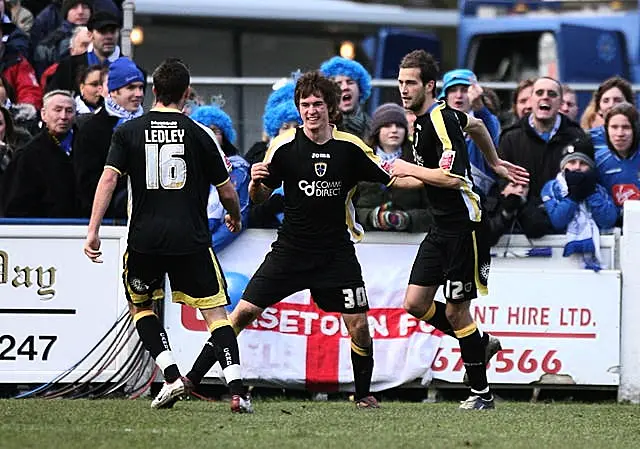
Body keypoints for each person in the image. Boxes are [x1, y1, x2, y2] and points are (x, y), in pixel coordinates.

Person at [186, 70, 421, 409]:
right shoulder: (283, 147)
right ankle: (191, 380)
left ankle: (364, 394)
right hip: (290, 250)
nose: (311, 111)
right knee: (240, 315)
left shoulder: (351, 148)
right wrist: (254, 184)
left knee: (359, 325)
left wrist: (435, 181)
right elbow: (262, 197)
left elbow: (393, 180)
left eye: (318, 104)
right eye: (305, 105)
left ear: (331, 108)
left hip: (336, 253)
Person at [83, 58, 253, 413]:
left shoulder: (129, 131)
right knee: (217, 315)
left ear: (153, 91)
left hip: (145, 239)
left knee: (141, 307)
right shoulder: (200, 133)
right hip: (190, 238)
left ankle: (172, 376)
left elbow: (109, 179)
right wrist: (234, 216)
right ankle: (237, 389)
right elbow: (226, 190)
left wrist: (93, 231)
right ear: (186, 94)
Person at [394, 49, 528, 410]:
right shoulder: (425, 120)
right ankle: (479, 343)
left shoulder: (439, 120)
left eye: (411, 83)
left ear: (429, 85)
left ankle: (481, 394)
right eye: (401, 82)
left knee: (456, 312)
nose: (404, 89)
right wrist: (494, 161)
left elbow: (450, 178)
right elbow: (479, 126)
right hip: (441, 228)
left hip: (465, 228)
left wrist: (405, 167)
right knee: (416, 303)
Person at [74, 57, 143, 218]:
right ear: (113, 91)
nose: (138, 94)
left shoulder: (148, 123)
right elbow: (86, 183)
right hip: (107, 219)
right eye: (131, 88)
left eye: (140, 87)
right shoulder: (91, 129)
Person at [542, 137, 617, 270]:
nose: (577, 167)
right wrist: (574, 196)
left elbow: (608, 219)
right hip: (560, 255)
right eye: (572, 162)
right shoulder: (553, 187)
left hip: (598, 252)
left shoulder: (598, 189)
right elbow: (558, 220)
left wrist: (590, 193)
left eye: (583, 163)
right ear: (563, 166)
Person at [355, 102, 431, 232]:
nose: (394, 130)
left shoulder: (420, 160)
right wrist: (372, 217)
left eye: (399, 126)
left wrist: (408, 219)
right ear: (377, 130)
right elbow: (347, 208)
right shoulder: (360, 159)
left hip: (411, 243)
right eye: (387, 125)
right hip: (366, 242)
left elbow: (433, 210)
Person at [2, 90, 76, 217]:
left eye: (69, 111)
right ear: (43, 114)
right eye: (57, 110)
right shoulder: (27, 154)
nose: (63, 116)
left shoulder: (87, 146)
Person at [440, 68, 501, 196]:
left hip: (481, 201)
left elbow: (491, 136)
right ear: (445, 97)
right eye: (452, 90)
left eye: (464, 90)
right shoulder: (435, 125)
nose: (458, 95)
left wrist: (479, 107)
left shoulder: (487, 119)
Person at [595, 102, 640, 225]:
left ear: (636, 129)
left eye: (626, 127)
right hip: (611, 230)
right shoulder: (598, 161)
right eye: (614, 127)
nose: (620, 134)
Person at [320, 56, 372, 139]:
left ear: (361, 89)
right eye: (338, 83)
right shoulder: (320, 129)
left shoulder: (374, 130)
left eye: (350, 82)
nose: (345, 87)